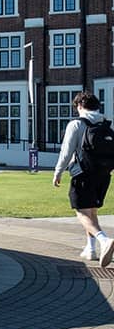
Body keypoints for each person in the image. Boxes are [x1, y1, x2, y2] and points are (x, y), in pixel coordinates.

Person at [53, 91, 114, 268]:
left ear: (79, 106)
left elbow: (67, 152)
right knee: (92, 212)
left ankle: (104, 240)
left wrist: (58, 172)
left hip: (82, 174)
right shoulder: (106, 123)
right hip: (103, 174)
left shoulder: (76, 124)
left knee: (81, 211)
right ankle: (91, 249)